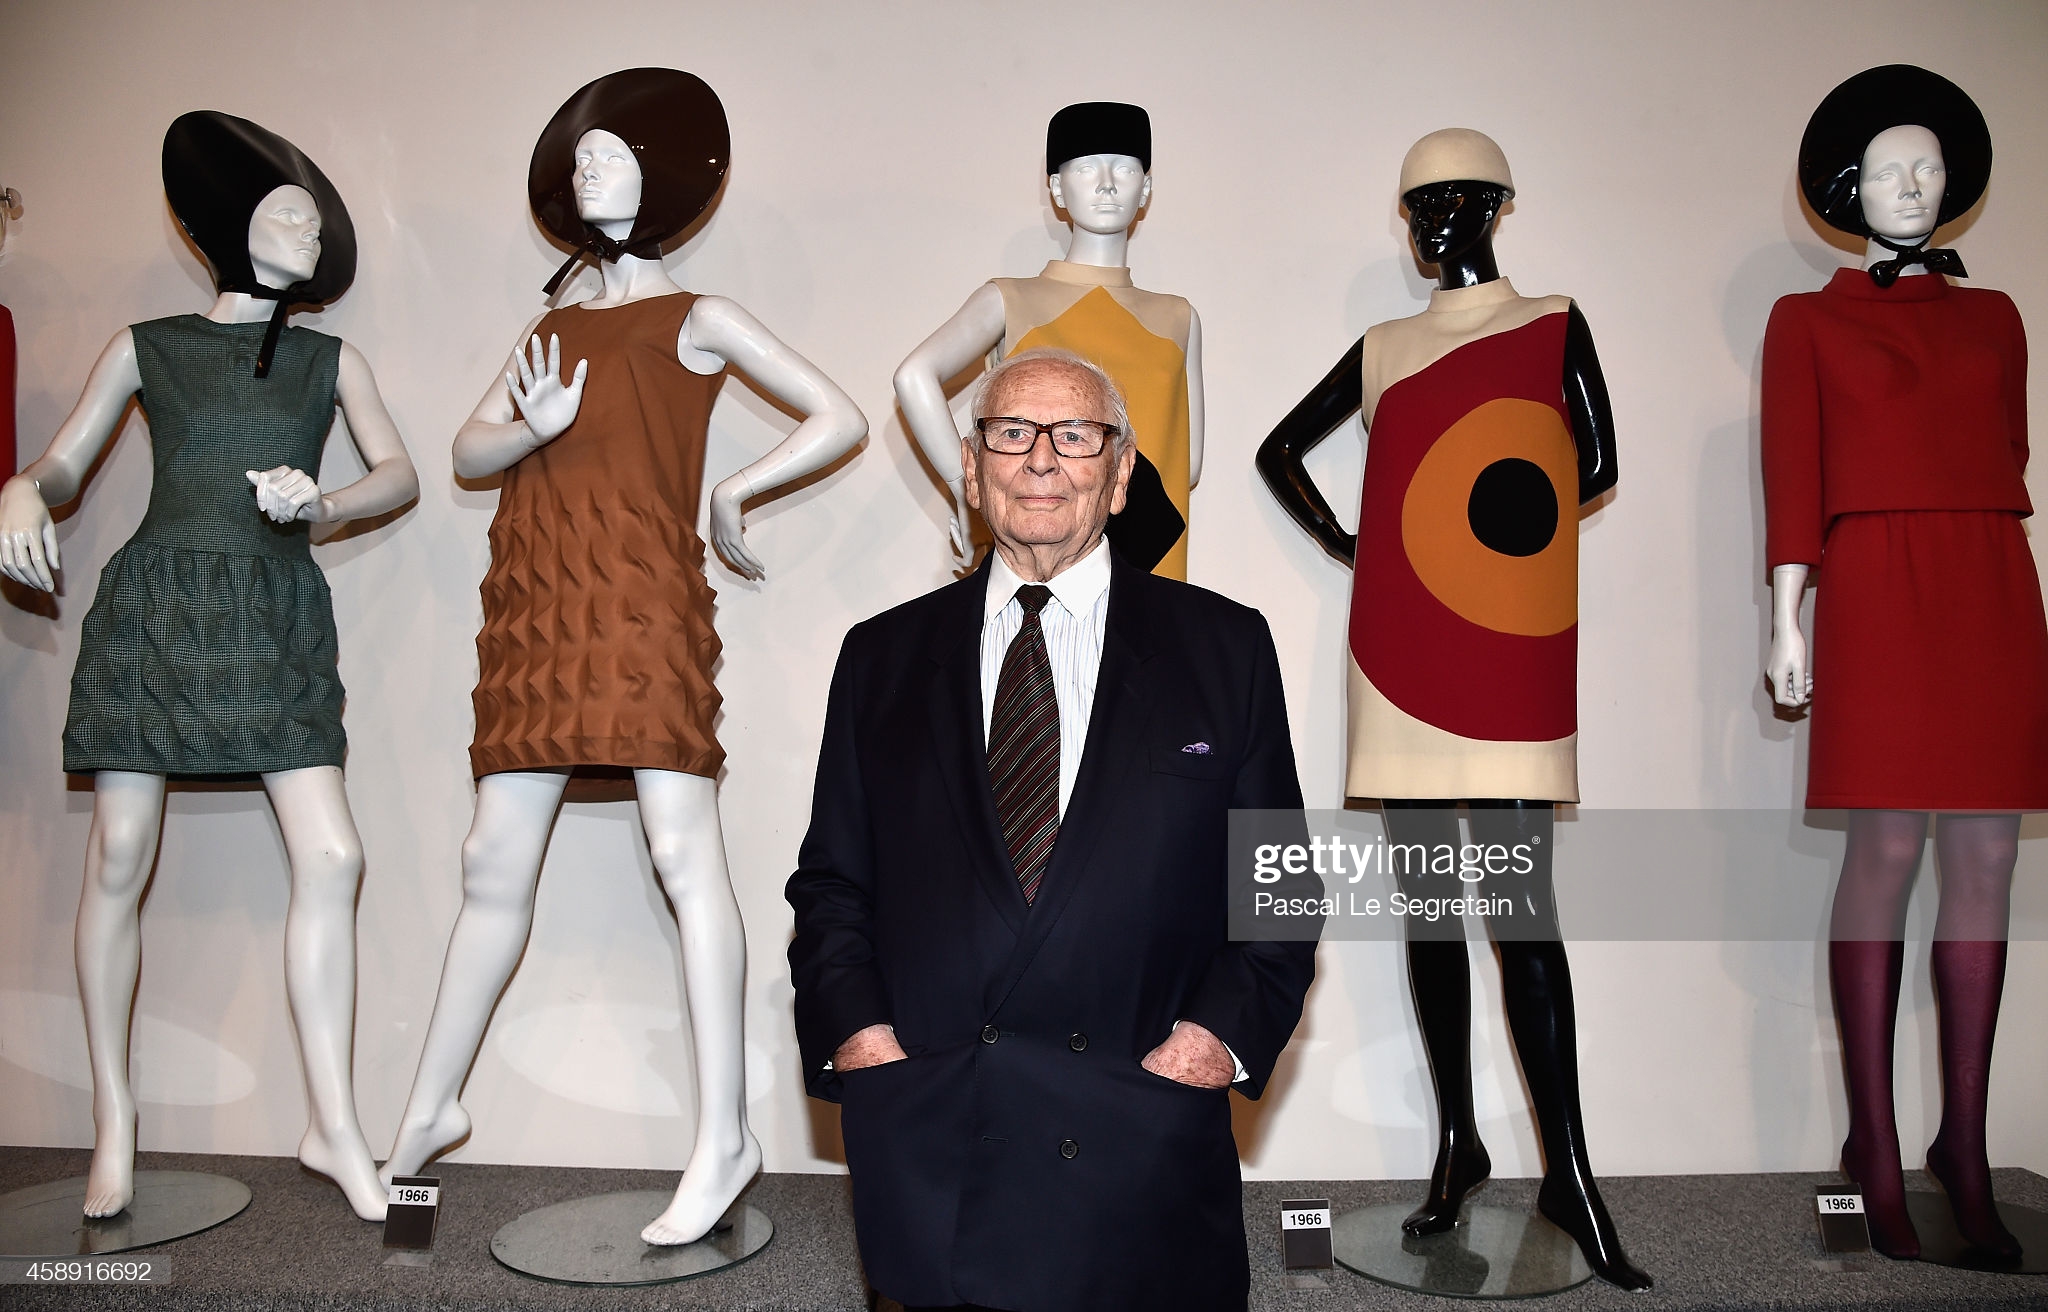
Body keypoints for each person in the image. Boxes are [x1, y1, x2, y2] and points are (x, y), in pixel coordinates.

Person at [378, 67, 869, 1248]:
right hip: (540, 605)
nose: (594, 172)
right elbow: (464, 447)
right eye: (581, 160)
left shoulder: (696, 316)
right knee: (492, 855)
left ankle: (725, 1134)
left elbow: (837, 413)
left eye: (613, 158)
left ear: (658, 180)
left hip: (637, 600)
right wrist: (530, 427)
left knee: (681, 852)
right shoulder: (547, 327)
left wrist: (738, 489)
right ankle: (434, 1100)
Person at [788, 348, 1314, 1311]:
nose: (1040, 458)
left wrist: (1210, 1045)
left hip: (1140, 1133)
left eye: (1075, 435)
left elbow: (1277, 887)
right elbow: (832, 886)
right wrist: (861, 1041)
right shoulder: (881, 657)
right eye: (1009, 432)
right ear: (971, 467)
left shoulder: (1225, 648)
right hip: (943, 1139)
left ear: (1118, 478)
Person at [0, 111, 419, 1221]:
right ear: (227, 226)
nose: (306, 224)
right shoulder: (150, 344)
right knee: (118, 855)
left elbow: (399, 473)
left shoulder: (335, 358)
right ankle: (116, 1127)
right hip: (159, 608)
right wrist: (15, 488)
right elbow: (63, 463)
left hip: (274, 610)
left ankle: (333, 1125)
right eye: (285, 208)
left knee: (333, 853)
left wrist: (321, 502)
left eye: (313, 215)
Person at [1255, 129, 1647, 1290]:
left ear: (1496, 208)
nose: (1430, 224)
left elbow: (1596, 462)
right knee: (1431, 911)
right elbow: (1282, 448)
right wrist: (1351, 542)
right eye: (1416, 206)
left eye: (1454, 203)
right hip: (1403, 651)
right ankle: (1455, 1144)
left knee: (1519, 914)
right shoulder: (1382, 346)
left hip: (1506, 652)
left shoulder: (1553, 320)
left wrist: (1494, 534)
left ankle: (1567, 1169)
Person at [1764, 64, 2036, 1263]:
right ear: (1844, 186)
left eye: (1926, 165)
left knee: (1983, 859)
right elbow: (1792, 483)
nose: (1910, 183)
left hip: (1986, 582)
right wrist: (1785, 618)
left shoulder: (1998, 317)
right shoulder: (1806, 319)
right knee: (1881, 847)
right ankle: (1871, 1139)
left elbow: (2007, 460)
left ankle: (1960, 1149)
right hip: (1869, 583)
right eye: (1885, 167)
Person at [894, 102, 1202, 578]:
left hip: (1153, 545)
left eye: (1125, 168)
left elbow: (1190, 462)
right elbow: (913, 376)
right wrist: (965, 481)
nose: (1106, 184)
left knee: (1142, 644)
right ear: (1057, 188)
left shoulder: (1178, 315)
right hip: (1035, 528)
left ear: (1147, 189)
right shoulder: (1010, 300)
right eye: (1085, 169)